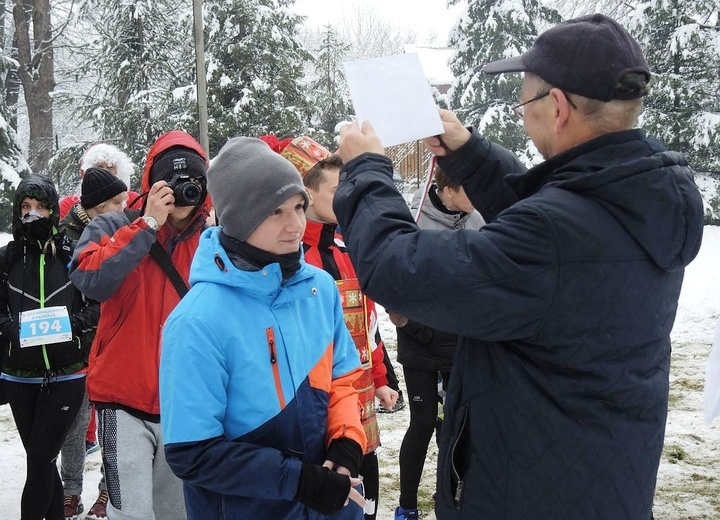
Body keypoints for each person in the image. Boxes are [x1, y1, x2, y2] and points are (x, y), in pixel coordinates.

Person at [332, 14, 704, 520]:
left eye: (524, 100)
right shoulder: (641, 198)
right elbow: (553, 213)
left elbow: (397, 268)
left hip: (526, 491)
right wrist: (472, 156)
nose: (521, 113)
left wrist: (366, 171)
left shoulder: (557, 235)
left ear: (557, 108)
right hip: (600, 477)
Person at [159, 136, 367, 520]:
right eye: (275, 211)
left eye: (300, 207)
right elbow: (192, 453)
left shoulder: (319, 290)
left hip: (331, 508)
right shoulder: (196, 321)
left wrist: (346, 446)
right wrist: (299, 482)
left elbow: (342, 380)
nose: (295, 224)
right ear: (240, 218)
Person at [69, 130, 210, 520]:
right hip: (122, 397)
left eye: (194, 182)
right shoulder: (117, 225)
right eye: (174, 182)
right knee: (130, 512)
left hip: (187, 401)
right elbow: (88, 277)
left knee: (175, 512)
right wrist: (147, 224)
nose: (185, 191)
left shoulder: (215, 236)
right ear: (152, 184)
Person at [277, 135, 398, 519]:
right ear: (306, 196)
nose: (347, 195)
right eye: (337, 188)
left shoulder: (347, 248)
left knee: (367, 504)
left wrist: (380, 378)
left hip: (360, 411)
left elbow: (369, 321)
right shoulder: (289, 261)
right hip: (318, 414)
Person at [0, 174, 99, 520]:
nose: (33, 214)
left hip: (67, 374)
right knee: (42, 464)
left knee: (40, 459)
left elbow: (99, 302)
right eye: (25, 207)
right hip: (19, 375)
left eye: (41, 207)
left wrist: (73, 325)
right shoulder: (7, 258)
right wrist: (9, 329)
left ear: (53, 211)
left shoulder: (73, 254)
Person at [390, 165, 484, 520]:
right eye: (468, 191)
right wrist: (415, 325)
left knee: (455, 427)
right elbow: (394, 286)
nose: (476, 200)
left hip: (462, 342)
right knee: (423, 421)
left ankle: (451, 500)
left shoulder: (477, 217)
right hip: (421, 341)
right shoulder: (414, 220)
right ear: (447, 189)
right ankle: (407, 506)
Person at [59, 167, 128, 520]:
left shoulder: (127, 230)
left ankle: (107, 492)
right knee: (75, 428)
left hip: (114, 342)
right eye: (117, 201)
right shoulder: (64, 236)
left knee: (113, 429)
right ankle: (71, 492)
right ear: (99, 206)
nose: (125, 205)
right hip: (75, 346)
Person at [60, 143, 139, 219]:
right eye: (99, 167)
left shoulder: (135, 200)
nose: (105, 171)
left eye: (110, 167)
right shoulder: (68, 205)